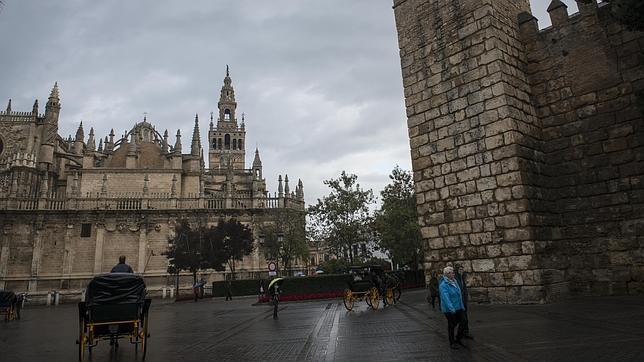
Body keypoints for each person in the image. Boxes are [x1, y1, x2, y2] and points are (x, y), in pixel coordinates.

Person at [439, 266, 466, 350]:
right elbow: (446, 298)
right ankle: (452, 342)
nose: (454, 274)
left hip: (458, 307)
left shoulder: (455, 282)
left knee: (463, 321)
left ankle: (458, 338)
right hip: (449, 309)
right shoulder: (443, 285)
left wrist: (462, 305)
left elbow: (459, 295)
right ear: (447, 274)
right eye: (452, 273)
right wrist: (451, 309)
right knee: (452, 324)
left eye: (453, 272)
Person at [454, 264, 473, 339]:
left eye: (462, 269)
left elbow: (464, 289)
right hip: (459, 302)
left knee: (465, 318)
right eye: (460, 269)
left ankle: (465, 332)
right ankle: (460, 334)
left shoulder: (462, 277)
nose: (461, 271)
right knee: (462, 319)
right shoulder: (456, 279)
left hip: (464, 301)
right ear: (457, 270)